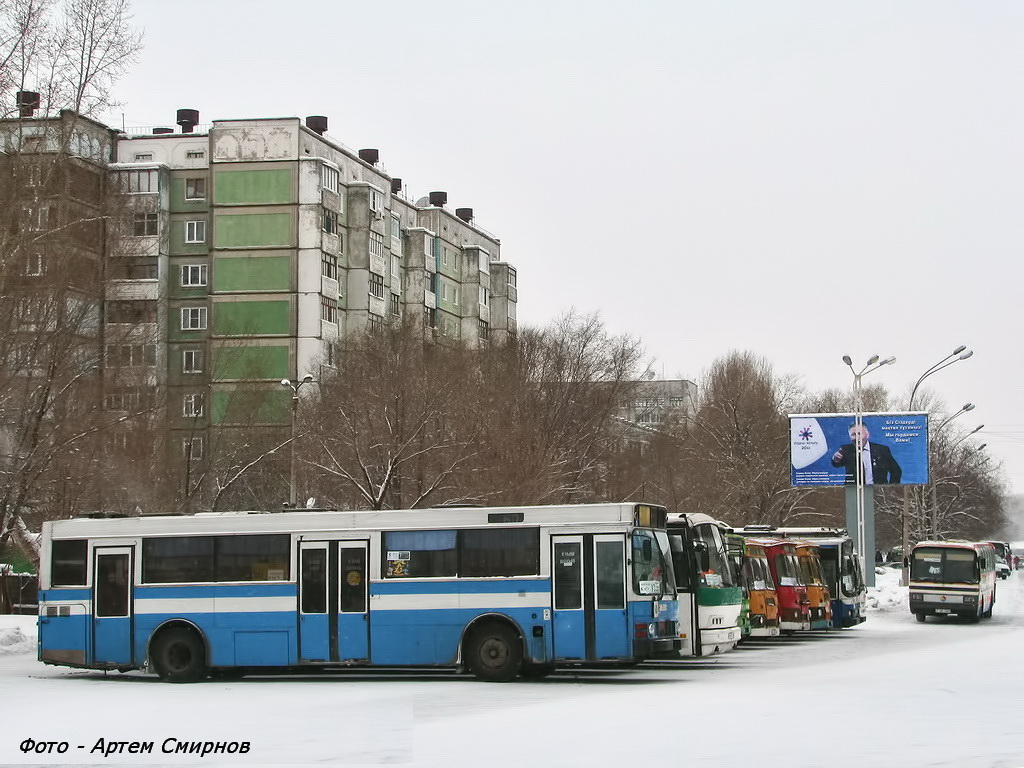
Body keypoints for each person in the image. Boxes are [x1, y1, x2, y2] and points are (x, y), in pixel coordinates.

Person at [830, 423, 902, 485]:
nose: (857, 438)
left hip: (878, 493)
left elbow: (896, 471)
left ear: (867, 435)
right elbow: (837, 464)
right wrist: (835, 459)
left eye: (859, 434)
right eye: (853, 434)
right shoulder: (846, 450)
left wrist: (891, 489)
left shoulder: (882, 450)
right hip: (854, 493)